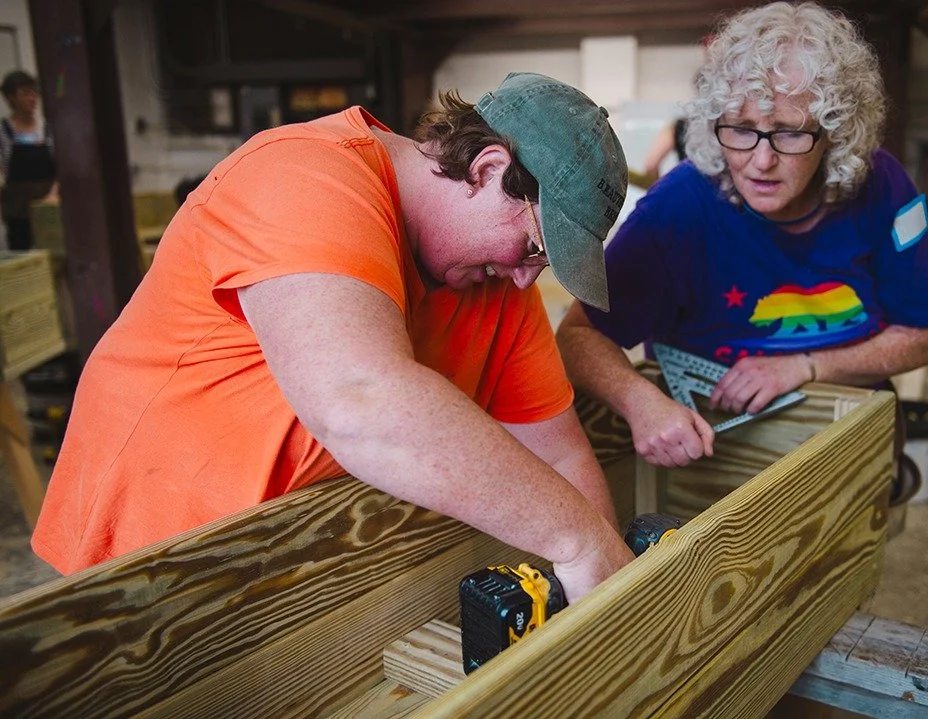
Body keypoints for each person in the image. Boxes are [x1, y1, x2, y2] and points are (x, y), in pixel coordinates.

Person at [32, 72, 635, 602]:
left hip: (290, 568)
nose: (528, 275)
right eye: (534, 245)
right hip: (151, 555)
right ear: (486, 170)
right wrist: (575, 541)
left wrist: (603, 590)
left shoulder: (498, 287)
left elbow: (556, 452)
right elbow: (360, 404)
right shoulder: (303, 175)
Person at [557, 2, 928, 468]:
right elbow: (577, 336)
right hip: (715, 455)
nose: (761, 161)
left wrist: (807, 367)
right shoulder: (678, 209)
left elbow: (925, 335)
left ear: (834, 133)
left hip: (847, 434)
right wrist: (638, 400)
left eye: (788, 134)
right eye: (741, 129)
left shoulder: (883, 188)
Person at [0, 70, 57, 250]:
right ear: (11, 98)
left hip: (48, 206)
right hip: (18, 210)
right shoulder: (4, 132)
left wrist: (53, 194)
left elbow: (61, 168)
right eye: (25, 93)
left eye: (34, 93)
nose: (32, 98)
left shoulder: (46, 129)